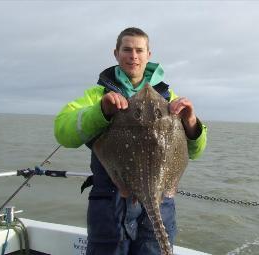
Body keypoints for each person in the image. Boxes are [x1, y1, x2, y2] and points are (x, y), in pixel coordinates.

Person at [54, 27, 207, 255]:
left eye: (139, 50)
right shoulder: (97, 95)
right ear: (116, 53)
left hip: (160, 200)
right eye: (127, 49)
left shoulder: (168, 98)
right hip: (109, 204)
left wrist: (192, 123)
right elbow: (62, 132)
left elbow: (195, 152)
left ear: (148, 55)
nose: (133, 55)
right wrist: (101, 111)